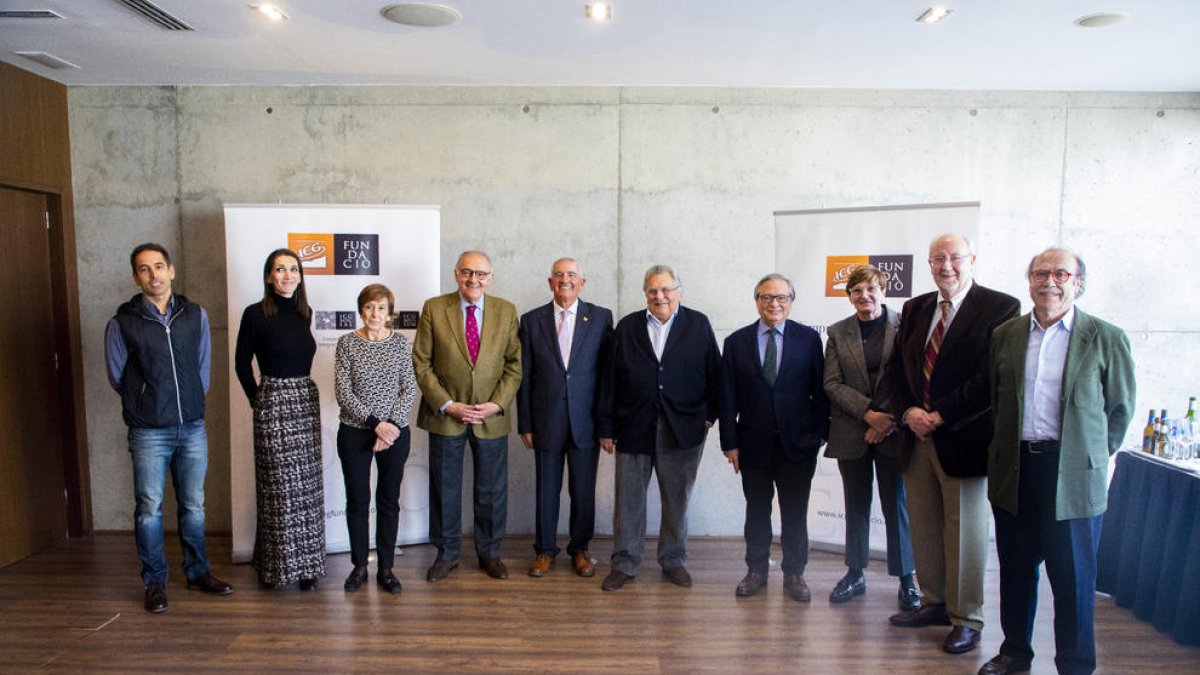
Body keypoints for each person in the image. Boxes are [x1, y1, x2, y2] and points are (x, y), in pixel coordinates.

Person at [979, 248, 1135, 675]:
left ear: (1078, 282)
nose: (1050, 280)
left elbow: (1119, 411)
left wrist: (1088, 459)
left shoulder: (1106, 337)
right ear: (1029, 280)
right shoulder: (1005, 335)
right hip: (1016, 470)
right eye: (1040, 273)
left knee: (1073, 580)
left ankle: (1075, 664)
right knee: (1014, 571)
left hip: (1071, 477)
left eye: (1060, 273)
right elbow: (997, 401)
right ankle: (1014, 653)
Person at [875, 233, 1019, 655]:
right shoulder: (916, 307)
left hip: (965, 439)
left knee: (965, 533)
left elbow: (990, 378)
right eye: (938, 259)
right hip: (916, 437)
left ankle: (966, 617)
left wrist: (940, 415)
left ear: (972, 259)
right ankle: (934, 603)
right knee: (923, 526)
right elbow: (897, 371)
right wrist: (909, 413)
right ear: (929, 263)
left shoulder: (1001, 307)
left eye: (955, 258)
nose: (947, 266)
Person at [105, 243, 233, 613]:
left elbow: (202, 366)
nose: (153, 275)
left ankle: (197, 572)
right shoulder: (123, 322)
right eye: (144, 269)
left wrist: (191, 400)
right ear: (136, 277)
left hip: (191, 426)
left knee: (194, 505)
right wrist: (144, 402)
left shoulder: (195, 315)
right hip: (148, 431)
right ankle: (155, 582)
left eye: (159, 266)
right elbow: (117, 375)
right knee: (149, 508)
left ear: (172, 270)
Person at [597, 264, 720, 592]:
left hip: (683, 427)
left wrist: (709, 414)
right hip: (633, 425)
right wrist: (606, 426)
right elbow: (609, 380)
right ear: (646, 294)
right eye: (652, 290)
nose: (659, 296)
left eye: (666, 289)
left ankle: (674, 560)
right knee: (629, 499)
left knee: (676, 498)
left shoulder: (698, 324)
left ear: (679, 291)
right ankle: (624, 562)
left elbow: (715, 374)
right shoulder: (627, 327)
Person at [413, 250, 522, 582]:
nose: (473, 279)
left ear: (490, 278)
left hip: (490, 416)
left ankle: (489, 553)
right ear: (456, 274)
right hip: (446, 416)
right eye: (466, 272)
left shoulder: (506, 311)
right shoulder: (435, 308)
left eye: (480, 274)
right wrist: (447, 404)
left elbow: (514, 365)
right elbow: (421, 362)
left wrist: (496, 404)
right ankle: (446, 554)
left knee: (492, 490)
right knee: (445, 488)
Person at [719, 273, 828, 601]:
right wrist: (730, 443)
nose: (774, 304)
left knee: (795, 511)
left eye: (781, 298)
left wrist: (821, 435)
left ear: (791, 303)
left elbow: (821, 392)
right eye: (767, 297)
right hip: (753, 444)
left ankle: (795, 574)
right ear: (757, 301)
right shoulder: (736, 342)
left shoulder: (808, 339)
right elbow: (727, 397)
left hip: (798, 444)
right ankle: (756, 570)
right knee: (756, 510)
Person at [823, 265, 920, 610]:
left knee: (898, 506)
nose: (864, 296)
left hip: (895, 431)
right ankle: (854, 573)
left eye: (871, 289)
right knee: (856, 504)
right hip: (853, 430)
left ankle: (907, 579)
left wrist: (887, 420)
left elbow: (911, 378)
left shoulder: (905, 326)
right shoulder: (837, 332)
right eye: (856, 291)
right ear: (849, 296)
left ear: (883, 291)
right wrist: (869, 415)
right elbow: (832, 383)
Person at [234, 248, 326, 590]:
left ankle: (306, 568)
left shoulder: (306, 313)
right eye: (279, 269)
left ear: (300, 275)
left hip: (305, 400)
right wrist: (257, 400)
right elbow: (242, 364)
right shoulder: (254, 314)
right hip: (273, 401)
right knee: (277, 489)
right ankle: (273, 567)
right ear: (269, 276)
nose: (287, 275)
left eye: (292, 269)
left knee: (306, 491)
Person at [517, 258, 613, 578]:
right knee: (546, 489)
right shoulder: (531, 321)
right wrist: (525, 423)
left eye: (572, 275)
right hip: (546, 421)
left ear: (582, 282)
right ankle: (544, 551)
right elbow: (525, 376)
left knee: (583, 491)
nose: (565, 280)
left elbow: (606, 378)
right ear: (550, 282)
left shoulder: (600, 318)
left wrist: (606, 425)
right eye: (559, 275)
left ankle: (580, 549)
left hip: (587, 423)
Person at [334, 284, 417, 595]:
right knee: (357, 500)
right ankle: (359, 566)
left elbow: (409, 387)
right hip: (355, 432)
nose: (375, 314)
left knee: (388, 501)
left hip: (395, 434)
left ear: (389, 312)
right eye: (369, 307)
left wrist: (390, 426)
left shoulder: (399, 344)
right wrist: (375, 425)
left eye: (381, 308)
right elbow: (343, 392)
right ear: (361, 309)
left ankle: (386, 568)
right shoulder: (347, 344)